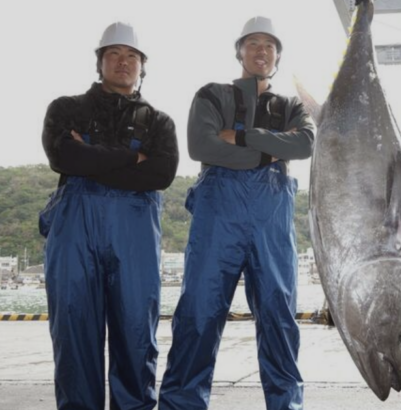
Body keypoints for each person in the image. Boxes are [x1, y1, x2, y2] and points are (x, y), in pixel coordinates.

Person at [159, 16, 314, 410]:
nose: (261, 51)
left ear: (277, 56)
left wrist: (243, 139)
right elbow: (203, 147)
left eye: (269, 45)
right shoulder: (212, 94)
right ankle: (181, 404)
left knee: (279, 318)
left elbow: (306, 145)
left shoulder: (291, 105)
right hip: (218, 215)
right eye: (253, 44)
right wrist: (271, 150)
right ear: (239, 51)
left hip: (272, 217)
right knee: (198, 314)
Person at [39, 22, 179, 410]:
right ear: (99, 62)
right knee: (73, 332)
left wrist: (92, 156)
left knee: (136, 333)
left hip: (134, 234)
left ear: (142, 66)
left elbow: (161, 173)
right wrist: (132, 157)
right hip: (74, 231)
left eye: (131, 55)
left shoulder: (159, 122)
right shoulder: (66, 108)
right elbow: (63, 157)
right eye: (114, 54)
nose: (123, 62)